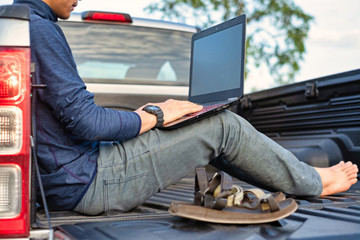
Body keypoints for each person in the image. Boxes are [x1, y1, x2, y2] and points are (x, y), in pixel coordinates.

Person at [14, 0, 358, 215]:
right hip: (88, 184)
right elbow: (87, 123)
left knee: (200, 120)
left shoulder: (23, 23)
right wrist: (156, 114)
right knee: (224, 126)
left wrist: (154, 114)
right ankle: (314, 182)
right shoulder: (40, 29)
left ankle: (288, 178)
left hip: (75, 179)